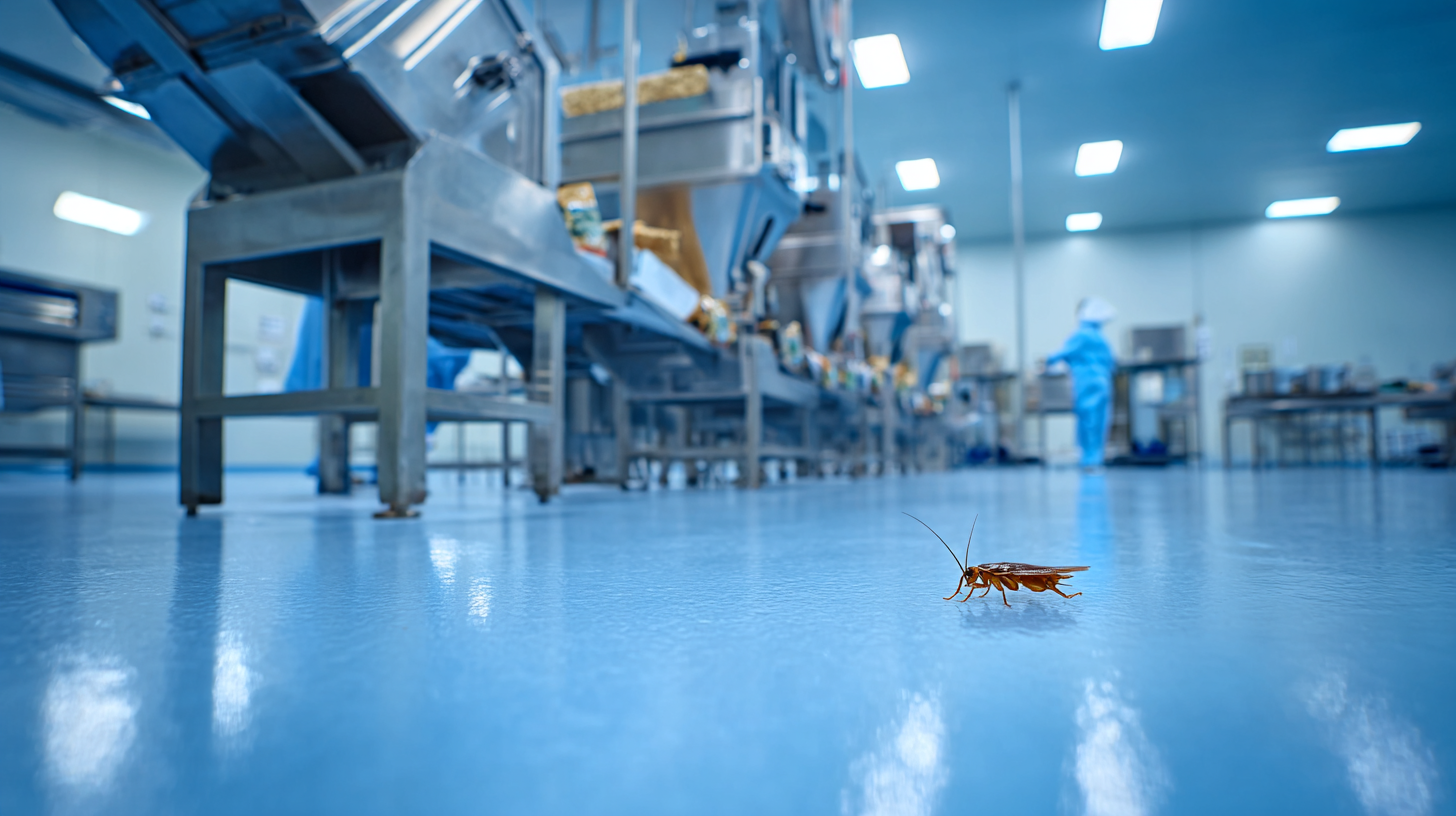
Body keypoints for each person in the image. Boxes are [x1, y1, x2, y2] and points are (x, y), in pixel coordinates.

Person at [1047, 297, 1116, 471]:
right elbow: (1112, 362)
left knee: (1088, 423)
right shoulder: (1101, 337)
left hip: (1087, 384)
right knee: (1100, 423)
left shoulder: (1081, 335)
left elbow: (1060, 354)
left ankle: (1089, 461)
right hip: (1103, 384)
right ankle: (1096, 460)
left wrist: (1045, 360)